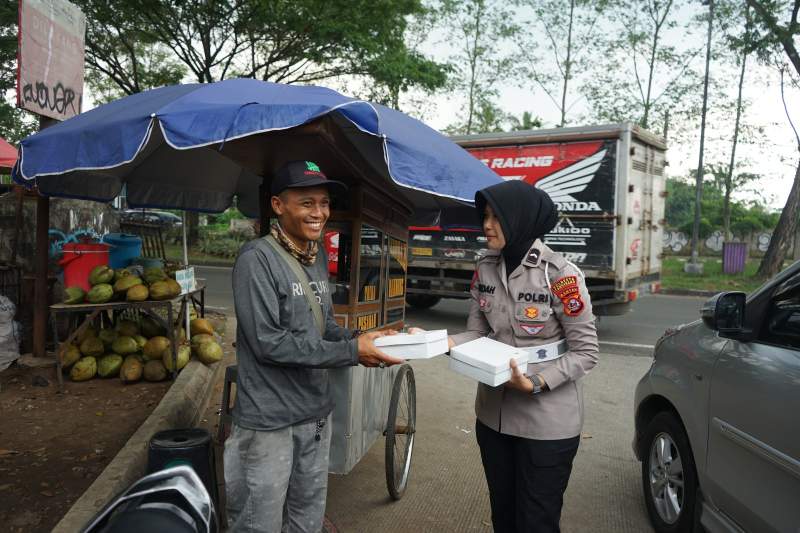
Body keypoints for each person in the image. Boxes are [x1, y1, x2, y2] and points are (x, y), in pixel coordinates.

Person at [224, 160, 403, 533]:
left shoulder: (315, 254)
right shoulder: (257, 259)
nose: (319, 212)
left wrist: (362, 339)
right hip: (268, 422)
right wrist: (353, 353)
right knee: (259, 523)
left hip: (315, 414)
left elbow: (325, 328)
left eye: (323, 203)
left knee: (306, 517)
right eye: (307, 203)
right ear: (278, 206)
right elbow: (268, 344)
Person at [448, 180, 599, 533]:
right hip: (493, 416)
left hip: (546, 423)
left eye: (497, 217)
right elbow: (476, 333)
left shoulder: (560, 276)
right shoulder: (485, 266)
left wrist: (535, 383)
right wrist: (431, 341)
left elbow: (586, 352)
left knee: (535, 522)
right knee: (504, 515)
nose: (486, 225)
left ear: (521, 219)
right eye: (485, 216)